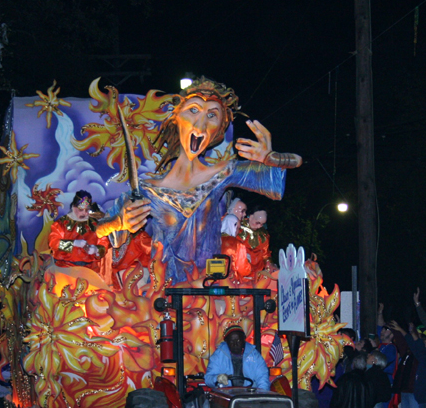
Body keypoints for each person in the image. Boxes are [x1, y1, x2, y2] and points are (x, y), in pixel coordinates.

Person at [110, 77, 302, 284]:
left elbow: (282, 176)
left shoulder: (222, 173)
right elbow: (104, 229)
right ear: (176, 117)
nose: (200, 124)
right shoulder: (147, 189)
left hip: (206, 288)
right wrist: (117, 223)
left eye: (212, 115)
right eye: (193, 110)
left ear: (219, 128)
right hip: (163, 290)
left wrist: (272, 159)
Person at [205, 325, 269, 390]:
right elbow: (208, 379)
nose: (235, 344)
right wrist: (217, 378)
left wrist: (262, 397)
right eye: (231, 341)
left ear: (244, 339)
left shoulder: (254, 355)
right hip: (226, 395)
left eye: (238, 341)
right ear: (226, 342)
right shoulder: (218, 355)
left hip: (249, 395)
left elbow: (262, 379)